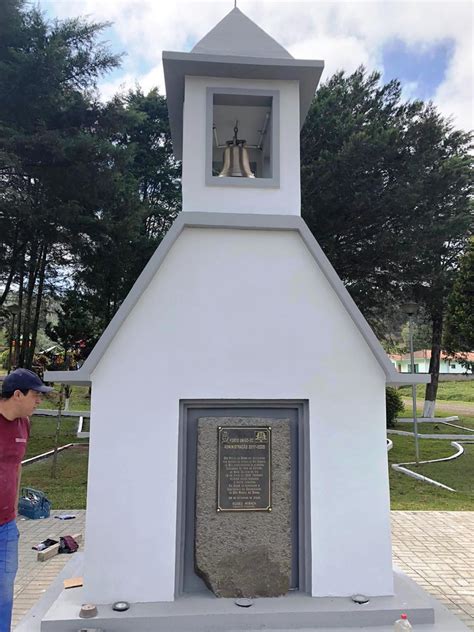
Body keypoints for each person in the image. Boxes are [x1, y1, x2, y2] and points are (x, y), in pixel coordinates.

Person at [0, 369, 53, 632]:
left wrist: (14, 509)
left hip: (6, 526)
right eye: (35, 395)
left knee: (5, 589)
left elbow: (16, 465)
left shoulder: (24, 424)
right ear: (17, 394)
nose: (39, 401)